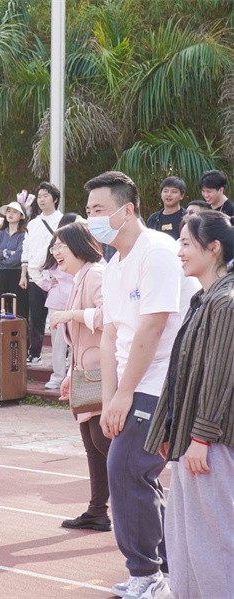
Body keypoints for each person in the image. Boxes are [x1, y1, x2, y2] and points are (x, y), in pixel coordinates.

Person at [85, 170, 199, 599]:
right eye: (88, 211)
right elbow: (111, 334)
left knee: (127, 467)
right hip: (133, 381)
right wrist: (110, 396)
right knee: (133, 470)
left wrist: (126, 392)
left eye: (99, 210)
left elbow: (154, 327)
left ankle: (147, 573)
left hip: (164, 378)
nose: (91, 218)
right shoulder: (114, 264)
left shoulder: (159, 252)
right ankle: (169, 567)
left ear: (127, 210)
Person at [145, 211, 234, 599]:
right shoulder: (204, 299)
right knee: (185, 542)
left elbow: (220, 375)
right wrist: (167, 430)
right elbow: (181, 372)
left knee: (213, 544)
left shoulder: (225, 302)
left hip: (209, 444)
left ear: (213, 248)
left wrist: (201, 438)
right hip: (190, 441)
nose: (178, 251)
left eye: (185, 243)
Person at [49, 222, 112, 532]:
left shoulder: (97, 274)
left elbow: (110, 316)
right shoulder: (80, 278)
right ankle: (97, 511)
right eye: (54, 247)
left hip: (103, 373)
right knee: (92, 442)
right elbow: (80, 340)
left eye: (61, 246)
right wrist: (70, 374)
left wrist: (70, 315)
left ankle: (143, 499)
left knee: (103, 441)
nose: (56, 252)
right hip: (87, 373)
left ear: (78, 245)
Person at [21, 182, 64, 365]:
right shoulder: (32, 224)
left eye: (46, 195)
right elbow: (26, 248)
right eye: (39, 196)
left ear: (55, 199)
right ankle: (35, 352)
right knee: (36, 317)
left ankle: (64, 353)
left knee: (60, 318)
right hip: (36, 277)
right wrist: (24, 274)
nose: (42, 199)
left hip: (57, 277)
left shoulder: (63, 221)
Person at [37, 213, 79, 390]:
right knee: (59, 343)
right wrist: (47, 284)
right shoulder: (53, 247)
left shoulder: (81, 245)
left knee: (78, 341)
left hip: (78, 300)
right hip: (58, 300)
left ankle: (75, 376)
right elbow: (35, 267)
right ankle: (58, 376)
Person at [0, 201, 27, 319]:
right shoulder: (0, 234)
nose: (10, 214)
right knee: (2, 306)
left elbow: (17, 258)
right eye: (9, 211)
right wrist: (8, 253)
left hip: (17, 273)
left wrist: (0, 253)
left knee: (19, 308)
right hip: (3, 273)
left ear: (21, 215)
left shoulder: (23, 235)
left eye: (15, 212)